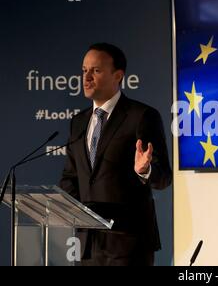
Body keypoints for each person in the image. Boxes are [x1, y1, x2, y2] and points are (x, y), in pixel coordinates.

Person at [59, 43, 172, 266]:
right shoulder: (79, 122)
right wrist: (60, 205)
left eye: (96, 70)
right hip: (88, 245)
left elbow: (164, 177)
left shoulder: (141, 116)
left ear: (118, 75)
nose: (87, 77)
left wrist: (145, 170)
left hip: (128, 243)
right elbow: (71, 177)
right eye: (84, 70)